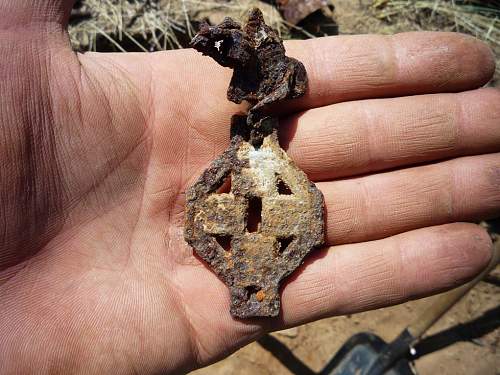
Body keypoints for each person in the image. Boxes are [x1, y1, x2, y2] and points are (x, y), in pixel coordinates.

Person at [0, 1, 499, 374]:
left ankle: (253, 284)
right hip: (255, 177)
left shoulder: (265, 152)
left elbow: (297, 220)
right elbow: (239, 222)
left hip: (262, 169)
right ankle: (252, 284)